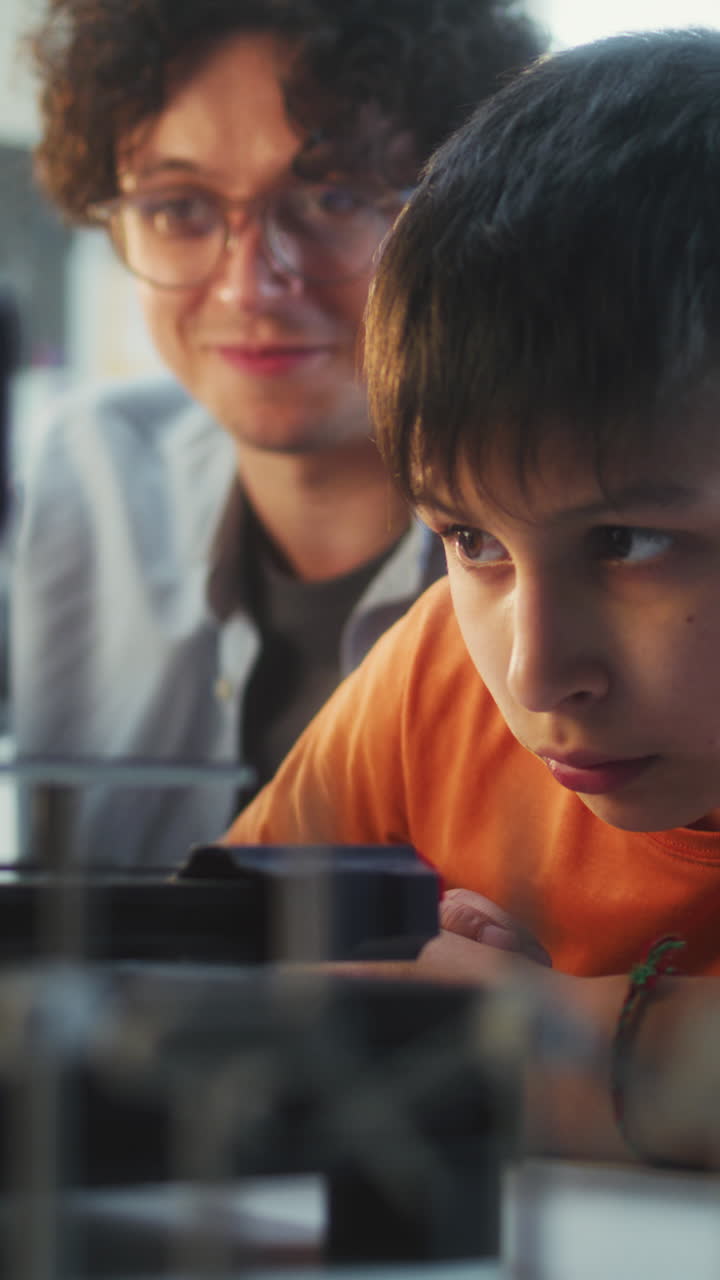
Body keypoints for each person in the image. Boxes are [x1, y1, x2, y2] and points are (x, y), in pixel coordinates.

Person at [224, 28, 720, 1166]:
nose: (539, 673)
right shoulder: (441, 664)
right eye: (469, 536)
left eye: (629, 540)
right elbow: (193, 979)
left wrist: (543, 1047)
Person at [11, 0, 544, 866]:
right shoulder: (88, 475)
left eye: (332, 197)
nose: (248, 288)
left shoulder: (571, 547)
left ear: (466, 213)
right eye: (179, 209)